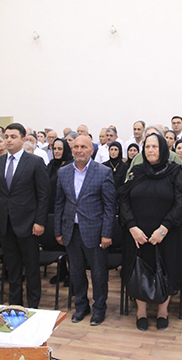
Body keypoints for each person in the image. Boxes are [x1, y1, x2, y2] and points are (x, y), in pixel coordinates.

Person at [119, 133, 182, 331]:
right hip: (138, 234)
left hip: (167, 233)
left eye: (154, 147)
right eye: (147, 146)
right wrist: (132, 226)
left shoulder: (175, 171)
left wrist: (164, 228)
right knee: (139, 270)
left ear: (163, 149)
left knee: (167, 269)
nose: (150, 150)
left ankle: (162, 311)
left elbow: (181, 202)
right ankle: (141, 312)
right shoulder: (137, 171)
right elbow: (123, 199)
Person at [54, 135, 116, 326]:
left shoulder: (103, 172)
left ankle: (99, 309)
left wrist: (106, 233)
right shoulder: (63, 172)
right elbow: (59, 203)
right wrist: (58, 230)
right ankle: (81, 306)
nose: (79, 150)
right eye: (76, 147)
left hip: (95, 232)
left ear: (92, 150)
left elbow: (110, 207)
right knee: (76, 272)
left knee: (98, 274)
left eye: (84, 147)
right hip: (71, 232)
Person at [0, 123, 49, 308]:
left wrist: (40, 221)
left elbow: (43, 195)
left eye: (13, 137)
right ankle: (14, 304)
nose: (9, 140)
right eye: (6, 136)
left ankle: (33, 305)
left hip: (28, 224)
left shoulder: (34, 162)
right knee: (12, 267)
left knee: (31, 268)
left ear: (23, 139)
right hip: (5, 223)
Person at [46, 138, 73, 213]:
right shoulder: (51, 165)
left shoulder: (71, 166)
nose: (56, 151)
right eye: (54, 149)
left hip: (65, 206)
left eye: (60, 149)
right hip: (50, 206)